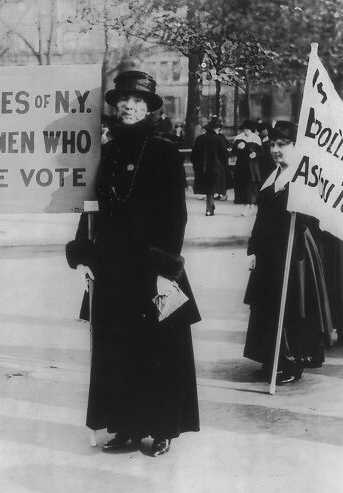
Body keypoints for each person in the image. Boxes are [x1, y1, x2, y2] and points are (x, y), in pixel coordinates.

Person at [66, 70, 200, 457]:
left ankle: (162, 429)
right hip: (113, 268)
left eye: (137, 101)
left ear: (149, 108)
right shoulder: (106, 152)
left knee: (157, 350)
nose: (128, 105)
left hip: (150, 269)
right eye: (123, 99)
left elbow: (175, 216)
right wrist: (84, 255)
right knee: (118, 349)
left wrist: (164, 271)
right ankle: (126, 425)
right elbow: (94, 208)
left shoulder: (162, 151)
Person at [243, 121, 333, 384]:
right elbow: (262, 217)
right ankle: (273, 358)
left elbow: (316, 217)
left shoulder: (302, 177)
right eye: (273, 144)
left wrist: (302, 212)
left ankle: (294, 362)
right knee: (267, 303)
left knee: (292, 304)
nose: (276, 149)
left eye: (283, 144)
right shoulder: (272, 175)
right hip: (269, 250)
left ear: (296, 146)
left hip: (294, 250)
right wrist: (253, 248)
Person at [191, 116, 229, 216]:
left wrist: (196, 166)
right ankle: (209, 208)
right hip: (215, 168)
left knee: (208, 189)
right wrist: (224, 165)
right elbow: (223, 154)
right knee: (211, 189)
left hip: (202, 168)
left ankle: (209, 207)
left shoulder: (199, 139)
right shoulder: (218, 139)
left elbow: (193, 155)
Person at [231, 120, 262, 215]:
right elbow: (233, 152)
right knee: (241, 181)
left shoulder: (256, 138)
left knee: (252, 183)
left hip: (253, 165)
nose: (246, 131)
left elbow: (261, 151)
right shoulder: (239, 137)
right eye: (244, 130)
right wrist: (238, 148)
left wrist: (256, 154)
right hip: (241, 164)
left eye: (247, 130)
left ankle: (251, 203)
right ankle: (243, 200)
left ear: (251, 130)